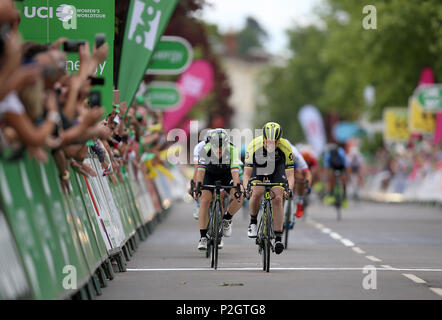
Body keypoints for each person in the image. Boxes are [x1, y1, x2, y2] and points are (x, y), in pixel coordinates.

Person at [242, 122, 294, 254]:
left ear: (279, 140)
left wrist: (289, 189)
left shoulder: (285, 147)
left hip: (277, 169)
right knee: (257, 191)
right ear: (263, 138)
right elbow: (247, 174)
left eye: (274, 142)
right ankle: (253, 222)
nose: (271, 144)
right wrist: (247, 188)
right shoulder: (254, 145)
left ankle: (277, 238)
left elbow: (290, 175)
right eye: (267, 141)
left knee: (278, 197)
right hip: (258, 169)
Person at [193, 129, 243, 251]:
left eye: (222, 146)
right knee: (205, 200)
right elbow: (200, 172)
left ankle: (227, 218)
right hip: (209, 175)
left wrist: (237, 188)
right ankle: (203, 237)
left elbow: (235, 172)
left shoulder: (232, 150)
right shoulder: (205, 150)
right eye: (216, 146)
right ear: (210, 144)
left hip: (227, 175)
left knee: (239, 196)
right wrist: (198, 186)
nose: (219, 149)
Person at [190, 129, 212, 220]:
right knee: (198, 184)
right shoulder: (199, 147)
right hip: (204, 166)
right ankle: (199, 204)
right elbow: (197, 167)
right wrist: (195, 183)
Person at [323, 144, 349, 208]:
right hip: (333, 167)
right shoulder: (328, 155)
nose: (335, 158)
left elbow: (347, 165)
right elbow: (326, 167)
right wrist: (326, 176)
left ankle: (344, 196)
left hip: (341, 166)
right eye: (333, 157)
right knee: (331, 177)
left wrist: (347, 175)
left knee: (343, 179)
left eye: (336, 157)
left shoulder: (342, 153)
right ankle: (331, 193)